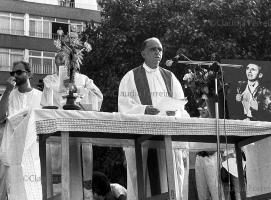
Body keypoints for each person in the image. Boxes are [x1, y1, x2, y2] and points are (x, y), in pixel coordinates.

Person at [118, 37, 189, 200]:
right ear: (143, 53)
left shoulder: (170, 77)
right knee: (145, 184)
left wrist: (175, 112)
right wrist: (144, 109)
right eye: (153, 49)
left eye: (160, 49)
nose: (157, 52)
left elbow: (181, 106)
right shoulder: (131, 77)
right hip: (143, 142)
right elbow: (124, 106)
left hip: (167, 141)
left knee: (170, 182)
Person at [40, 52, 103, 198]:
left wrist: (78, 90)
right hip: (58, 129)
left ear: (72, 61)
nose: (60, 60)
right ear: (55, 62)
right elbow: (46, 103)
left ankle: (86, 196)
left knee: (82, 168)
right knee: (57, 170)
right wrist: (62, 88)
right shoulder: (50, 80)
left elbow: (98, 96)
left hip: (80, 129)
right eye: (57, 58)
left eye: (64, 58)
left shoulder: (84, 79)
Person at [0, 61, 42, 198]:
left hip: (34, 152)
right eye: (13, 73)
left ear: (29, 74)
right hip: (11, 152)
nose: (15, 75)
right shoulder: (9, 95)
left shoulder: (41, 96)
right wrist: (7, 90)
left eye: (19, 72)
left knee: (32, 193)